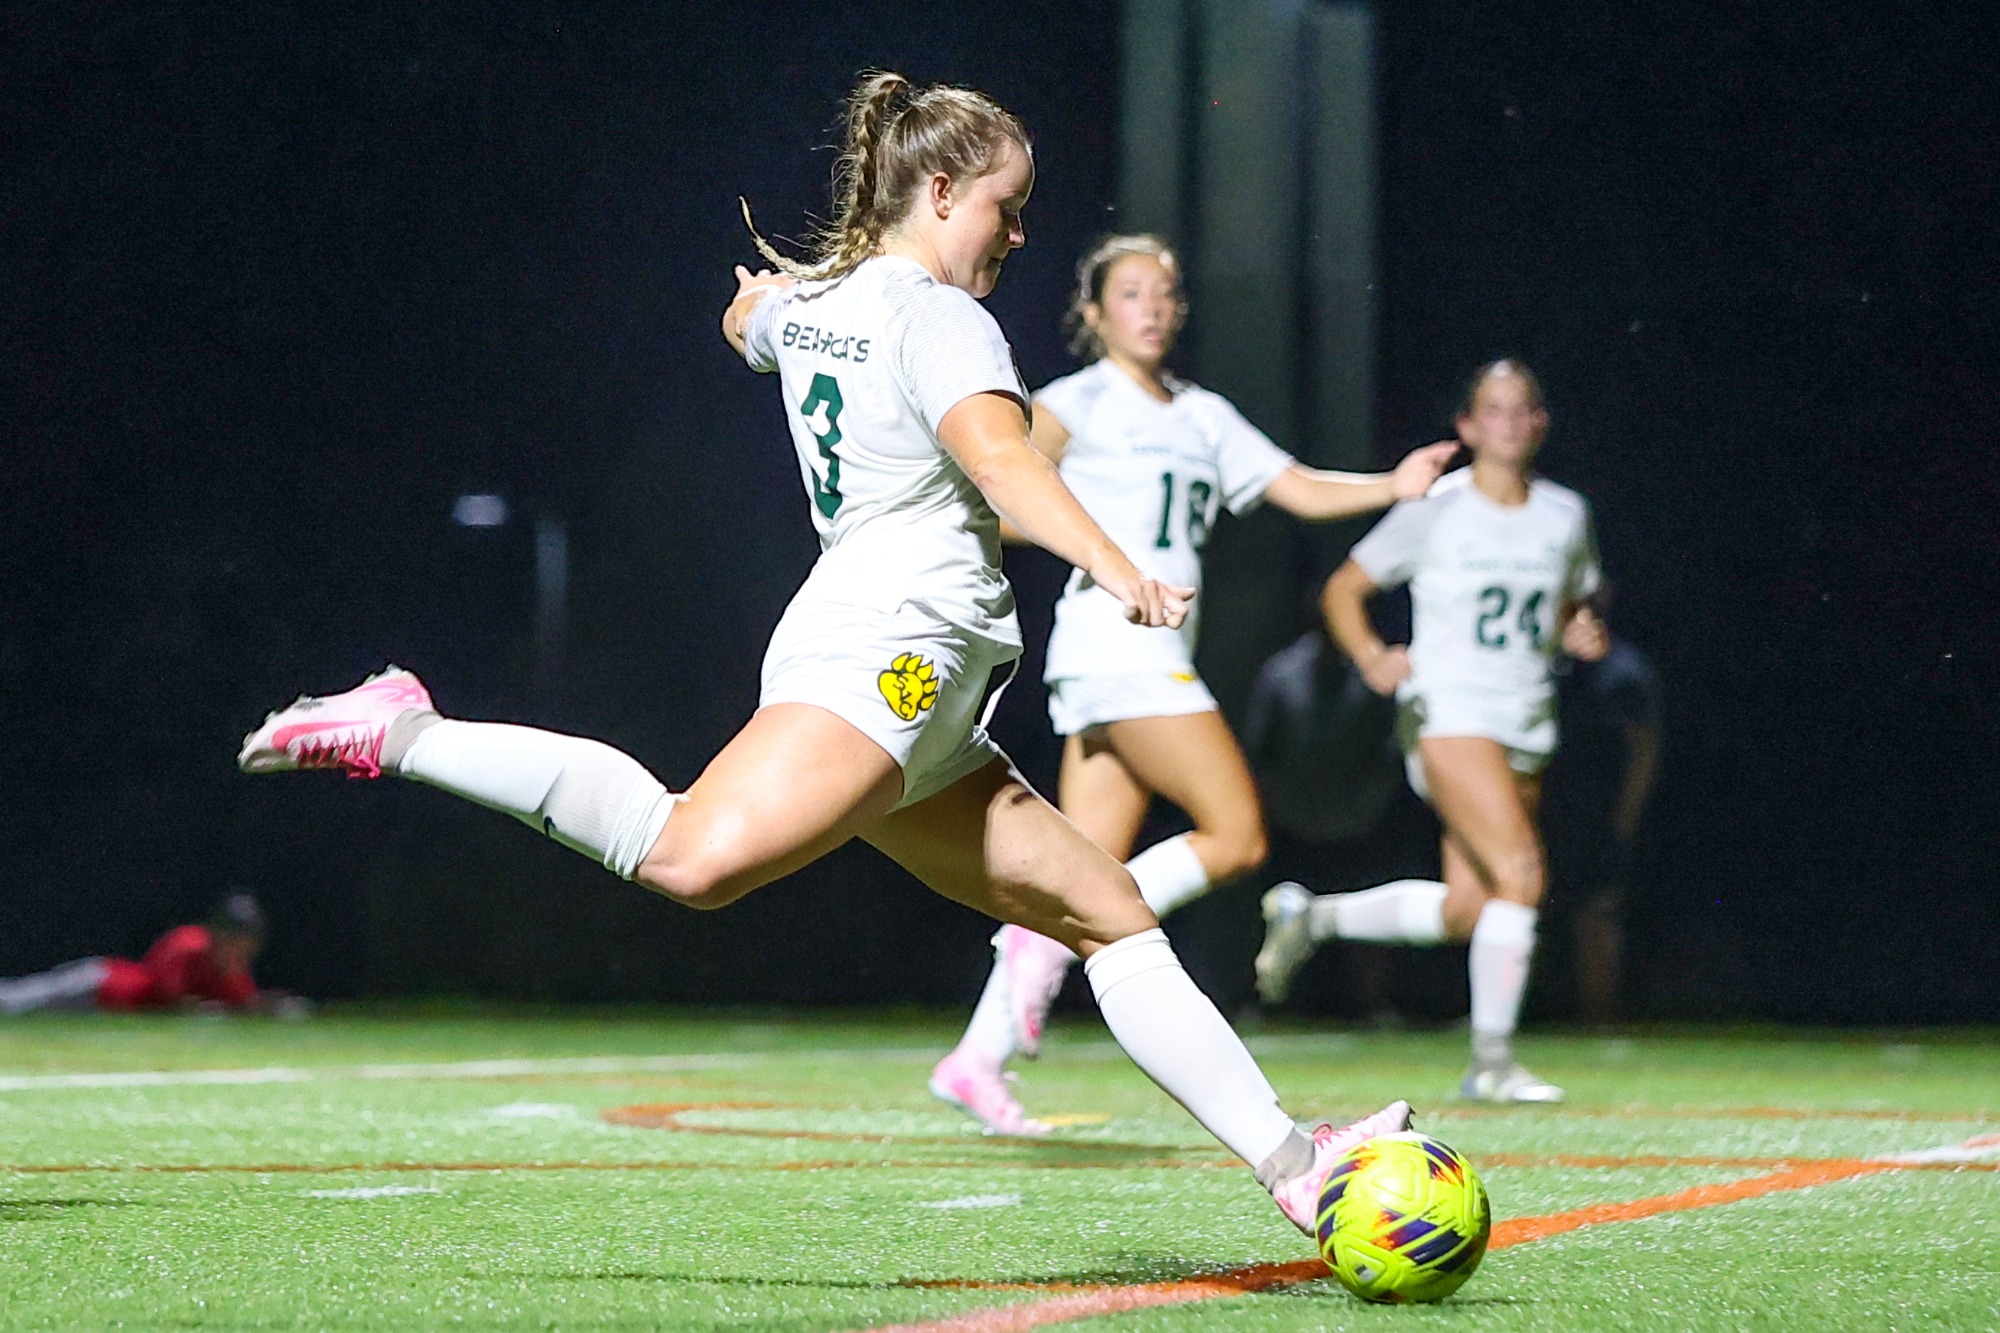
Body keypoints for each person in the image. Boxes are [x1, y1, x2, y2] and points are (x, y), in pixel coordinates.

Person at [236, 73, 1408, 1237]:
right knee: (689, 857)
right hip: (890, 651)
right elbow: (1004, 466)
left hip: (922, 676)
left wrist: (755, 313)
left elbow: (751, 326)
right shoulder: (940, 316)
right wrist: (1119, 569)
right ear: (939, 189)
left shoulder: (825, 303)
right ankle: (403, 727)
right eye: (1006, 204)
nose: (1016, 229)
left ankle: (1298, 1163)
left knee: (1109, 913)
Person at [927, 234, 1455, 1134]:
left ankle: (976, 1058)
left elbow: (1293, 485)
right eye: (1132, 292)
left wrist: (1391, 486)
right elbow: (1002, 489)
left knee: (1079, 870)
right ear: (1093, 313)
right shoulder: (1071, 403)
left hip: (1140, 655)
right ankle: (1032, 955)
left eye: (1167, 292)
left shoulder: (1202, 413)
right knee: (1239, 833)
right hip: (1119, 646)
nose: (1155, 305)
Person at [1254, 360, 1607, 1102]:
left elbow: (1575, 595)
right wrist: (1372, 655)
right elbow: (1344, 589)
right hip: (1449, 712)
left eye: (1523, 408)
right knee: (1522, 873)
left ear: (1540, 423)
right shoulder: (1436, 507)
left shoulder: (1566, 514)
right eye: (1493, 409)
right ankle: (1492, 1061)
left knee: (1471, 907)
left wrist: (1579, 627)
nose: (1509, 421)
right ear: (1468, 426)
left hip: (1526, 717)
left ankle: (1312, 915)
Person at [1544, 631, 1661, 1023]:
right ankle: (1509, 1018)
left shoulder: (1622, 668)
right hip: (1548, 803)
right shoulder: (1544, 660)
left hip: (1600, 809)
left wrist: (1625, 815)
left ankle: (1601, 1016)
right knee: (1523, 906)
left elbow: (1643, 744)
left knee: (1598, 912)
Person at [0, 893, 279, 1015]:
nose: (240, 949)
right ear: (218, 934)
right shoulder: (189, 944)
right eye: (235, 940)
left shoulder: (231, 969)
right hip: (100, 983)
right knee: (19, 999)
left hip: (104, 1007)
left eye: (245, 943)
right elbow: (171, 998)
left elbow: (244, 1003)